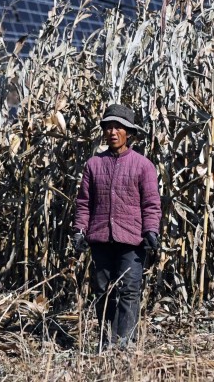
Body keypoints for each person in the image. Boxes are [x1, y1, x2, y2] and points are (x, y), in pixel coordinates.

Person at [72, 103, 162, 349]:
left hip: (132, 240)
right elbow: (84, 203)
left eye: (118, 128)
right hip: (100, 237)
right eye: (108, 127)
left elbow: (152, 204)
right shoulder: (94, 165)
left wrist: (151, 231)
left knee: (130, 290)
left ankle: (125, 343)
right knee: (102, 291)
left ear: (129, 133)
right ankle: (105, 341)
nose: (112, 132)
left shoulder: (143, 165)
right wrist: (80, 231)